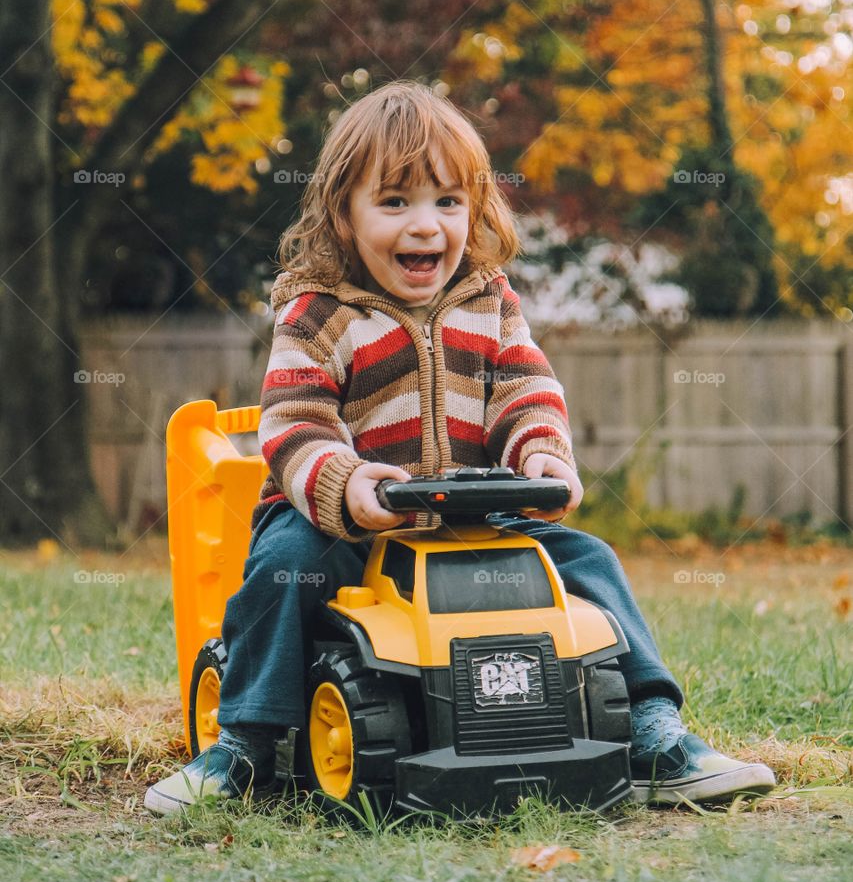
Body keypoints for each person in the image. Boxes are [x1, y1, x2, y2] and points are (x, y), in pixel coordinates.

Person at [145, 81, 775, 815]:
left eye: (447, 202)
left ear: (474, 210)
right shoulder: (316, 315)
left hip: (472, 517)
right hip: (341, 525)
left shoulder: (489, 301)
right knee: (284, 568)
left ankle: (651, 729)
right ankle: (244, 744)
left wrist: (539, 453)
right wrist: (347, 484)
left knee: (588, 562)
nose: (425, 225)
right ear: (342, 216)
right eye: (394, 202)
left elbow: (523, 389)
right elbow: (295, 424)